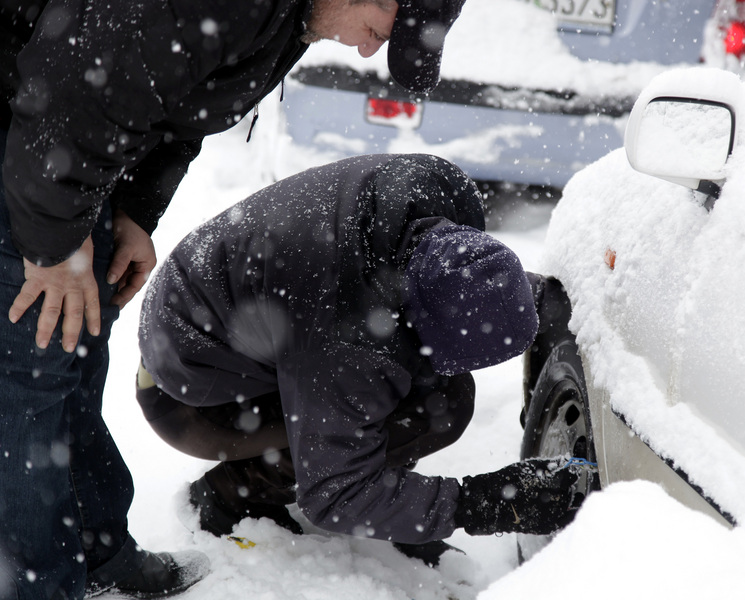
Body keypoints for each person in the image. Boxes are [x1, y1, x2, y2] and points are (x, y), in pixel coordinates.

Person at [0, 0, 467, 598]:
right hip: (27, 150)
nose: (369, 51)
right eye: (378, 32)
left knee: (76, 363)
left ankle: (95, 552)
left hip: (68, 167)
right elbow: (68, 92)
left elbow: (183, 106)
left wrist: (136, 211)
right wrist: (56, 248)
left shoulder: (294, 18)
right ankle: (38, 587)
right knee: (25, 389)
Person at [136, 153, 582, 566]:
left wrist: (548, 313)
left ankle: (394, 503)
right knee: (432, 411)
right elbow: (334, 493)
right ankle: (229, 496)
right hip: (191, 396)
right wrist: (483, 501)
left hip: (245, 312)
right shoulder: (346, 333)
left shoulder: (436, 203)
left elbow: (484, 288)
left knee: (439, 393)